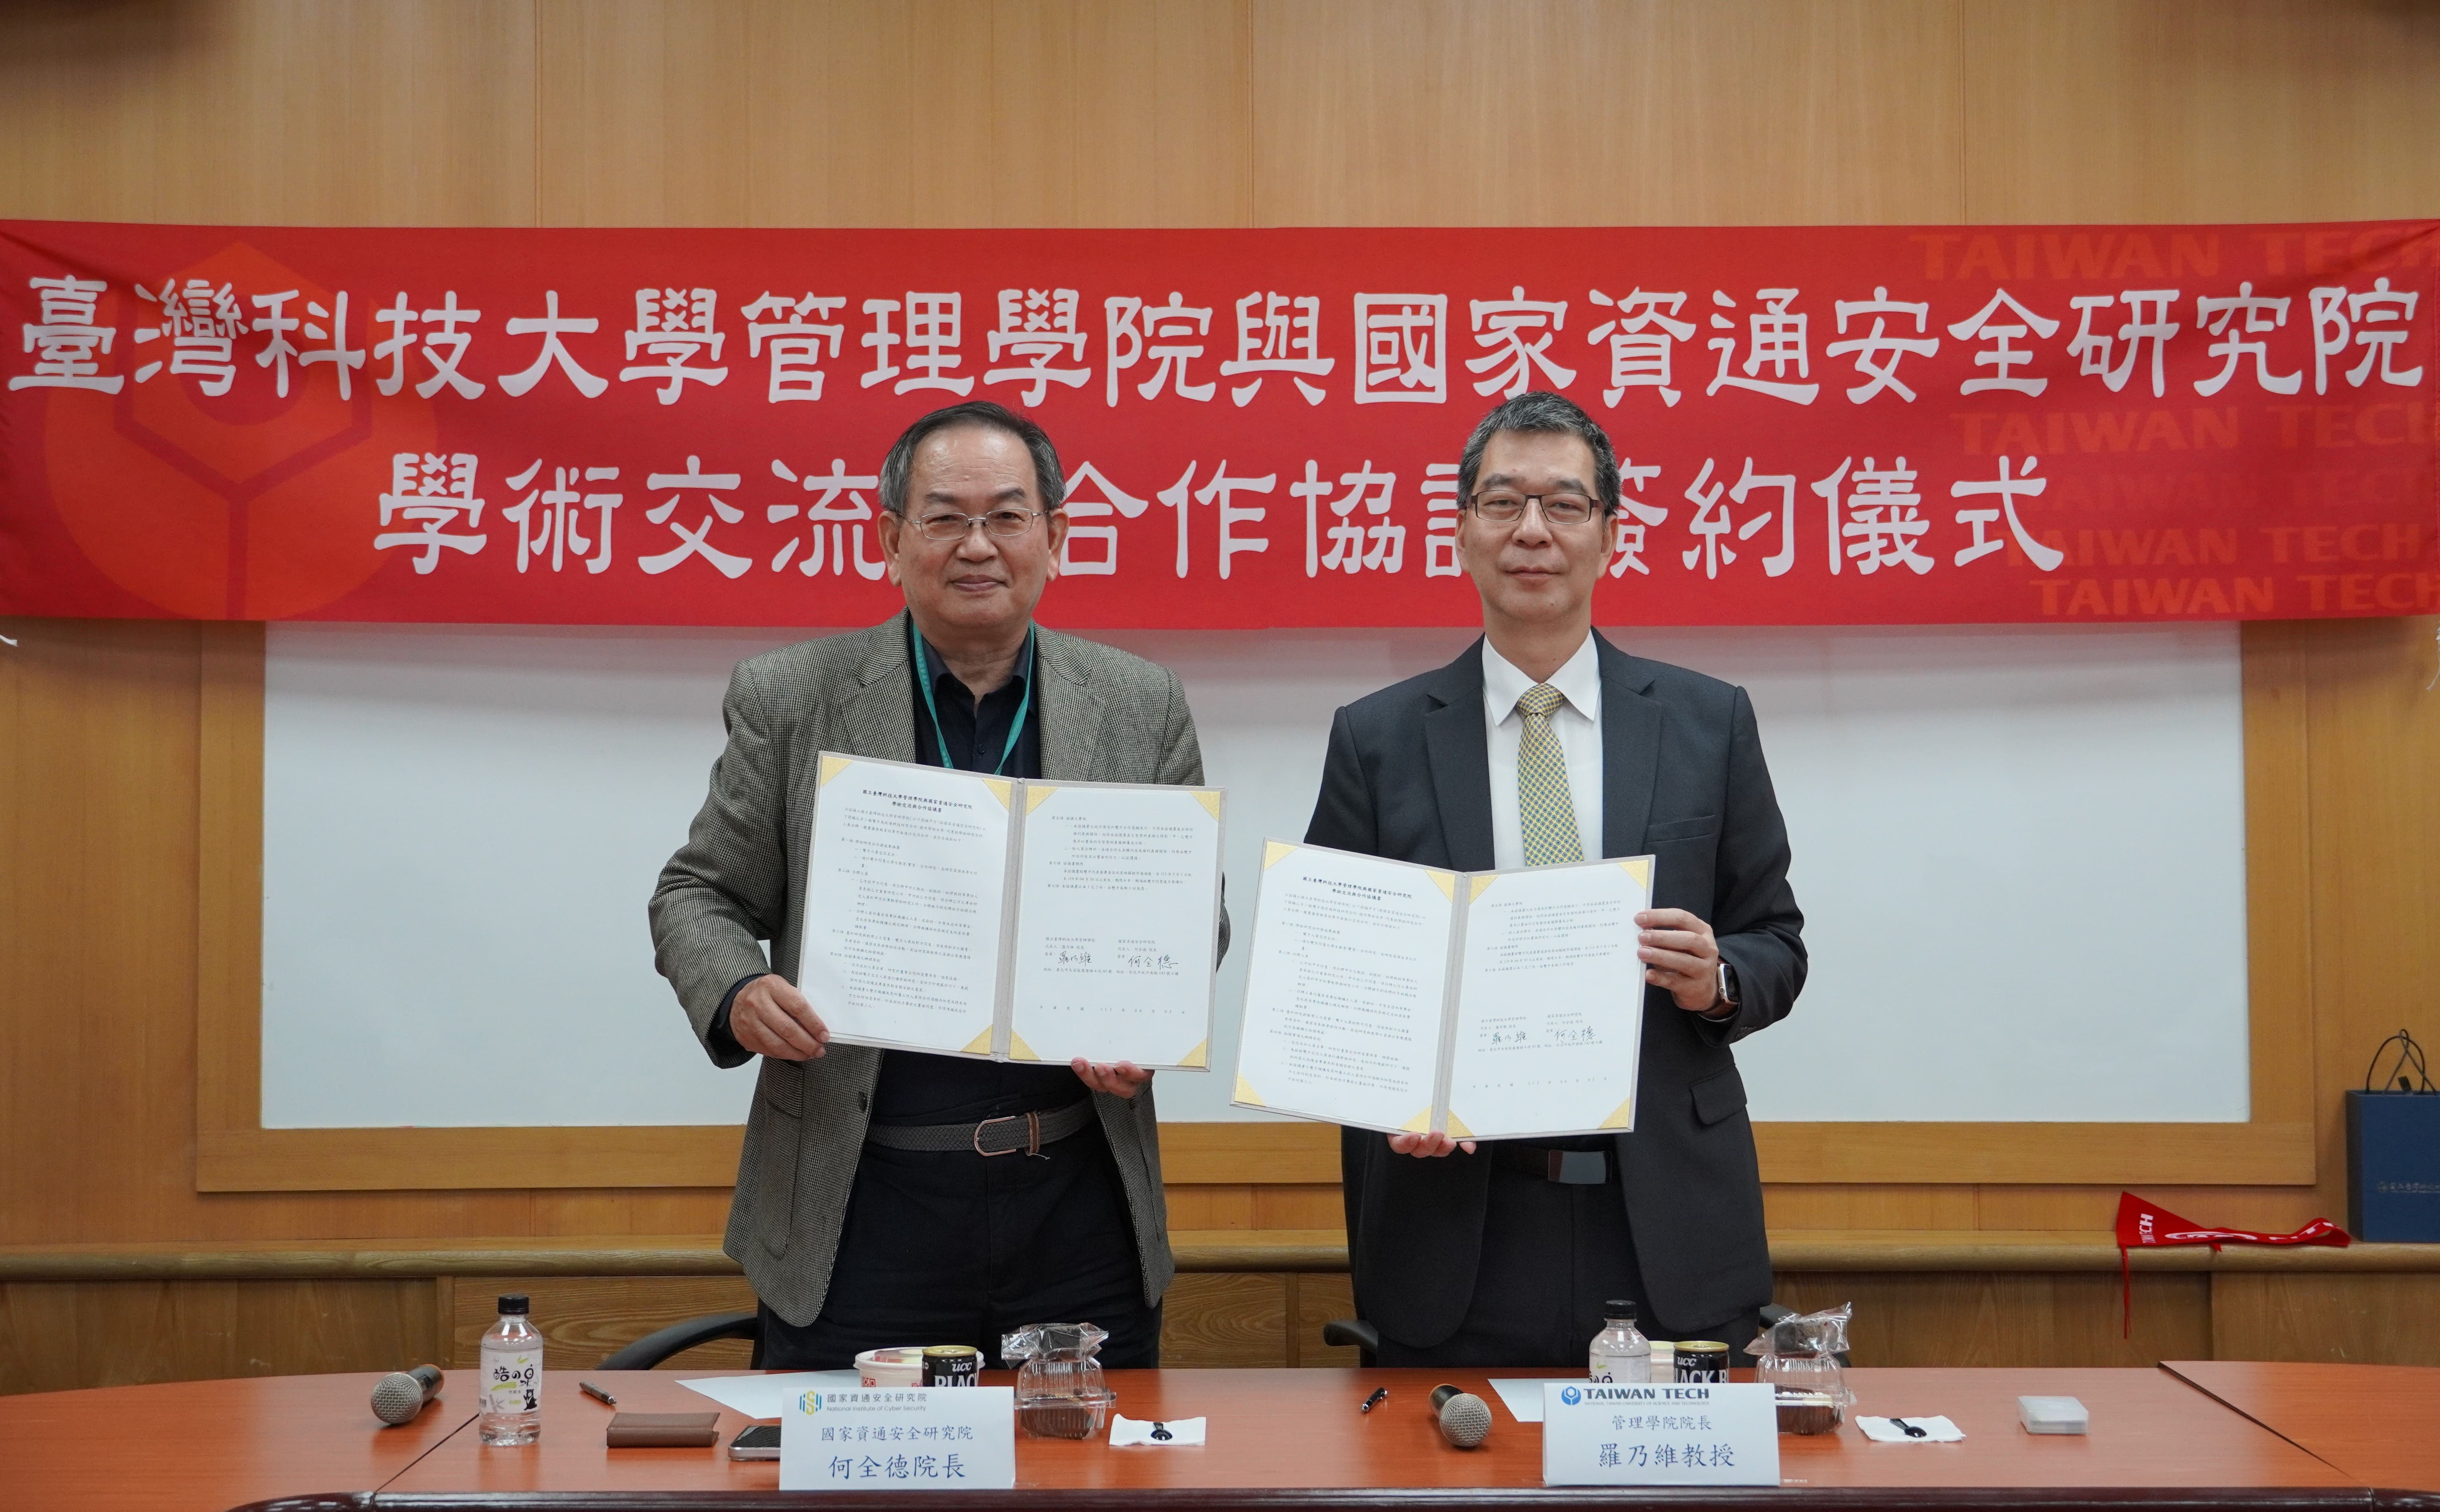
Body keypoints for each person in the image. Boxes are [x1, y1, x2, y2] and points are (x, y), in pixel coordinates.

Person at [650, 400, 1217, 1368]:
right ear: (889, 538)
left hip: (1076, 1199)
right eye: (944, 517)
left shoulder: (1139, 702)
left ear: (1056, 535)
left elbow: (1188, 913)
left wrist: (1149, 1017)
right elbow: (696, 893)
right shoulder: (793, 696)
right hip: (862, 1202)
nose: (977, 545)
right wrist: (738, 991)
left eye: (1007, 516)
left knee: (1088, 1490)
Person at [1304, 390, 1805, 1368]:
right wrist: (1394, 1086)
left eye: (1564, 504)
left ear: (1609, 535)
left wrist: (1718, 978)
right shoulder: (1376, 738)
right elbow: (1334, 977)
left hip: (1661, 1212)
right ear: (1460, 532)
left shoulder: (1709, 723)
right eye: (1502, 502)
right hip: (1455, 1223)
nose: (1532, 529)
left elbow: (1776, 940)